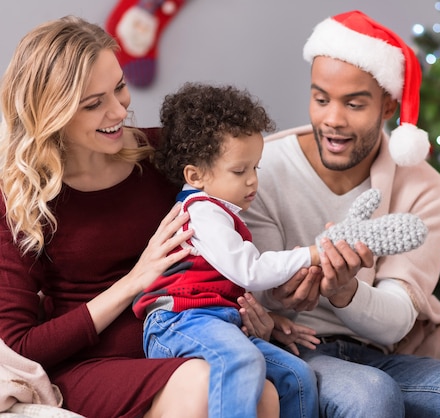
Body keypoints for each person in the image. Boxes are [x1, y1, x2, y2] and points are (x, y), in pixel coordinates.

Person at [242, 10, 440, 418]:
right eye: (320, 99)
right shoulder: (263, 168)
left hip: (378, 353)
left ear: (388, 106)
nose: (332, 120)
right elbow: (253, 282)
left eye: (354, 104)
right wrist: (277, 293)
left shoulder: (427, 191)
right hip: (289, 347)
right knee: (370, 393)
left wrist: (344, 291)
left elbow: (396, 321)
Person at [0, 16, 279, 418]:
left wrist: (256, 312)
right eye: (94, 103)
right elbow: (21, 346)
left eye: (119, 88)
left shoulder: (165, 155)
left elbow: (227, 242)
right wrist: (133, 282)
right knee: (202, 385)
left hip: (187, 337)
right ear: (52, 113)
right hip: (92, 364)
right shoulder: (20, 197)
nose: (118, 110)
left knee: (264, 394)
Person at [132, 82, 320, 418]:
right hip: (178, 322)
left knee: (297, 377)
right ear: (196, 175)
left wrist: (272, 317)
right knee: (241, 359)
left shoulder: (222, 213)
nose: (252, 181)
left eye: (255, 168)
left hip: (218, 322)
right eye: (239, 171)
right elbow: (250, 270)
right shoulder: (203, 212)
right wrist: (310, 254)